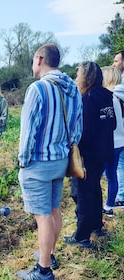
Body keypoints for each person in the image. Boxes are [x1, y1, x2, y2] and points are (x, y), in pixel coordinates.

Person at [17, 44, 83, 280]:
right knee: (54, 210)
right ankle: (49, 254)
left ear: (40, 59)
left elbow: (28, 131)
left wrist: (23, 162)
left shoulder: (38, 89)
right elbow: (77, 127)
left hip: (38, 162)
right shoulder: (72, 88)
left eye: (33, 59)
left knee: (43, 216)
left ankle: (43, 271)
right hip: (61, 160)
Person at [63, 62, 116, 248]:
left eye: (78, 73)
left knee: (82, 193)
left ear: (86, 76)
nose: (76, 77)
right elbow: (113, 123)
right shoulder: (107, 96)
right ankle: (96, 225)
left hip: (88, 153)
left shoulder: (86, 98)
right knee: (94, 188)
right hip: (104, 151)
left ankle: (81, 235)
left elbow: (84, 130)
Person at [101, 66, 124, 216]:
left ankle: (108, 206)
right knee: (113, 175)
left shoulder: (110, 97)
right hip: (121, 140)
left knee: (107, 175)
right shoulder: (121, 96)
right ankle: (110, 205)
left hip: (111, 142)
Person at [112, 50, 124, 208]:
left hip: (121, 134)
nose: (114, 64)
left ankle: (121, 196)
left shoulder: (119, 87)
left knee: (120, 165)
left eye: (116, 61)